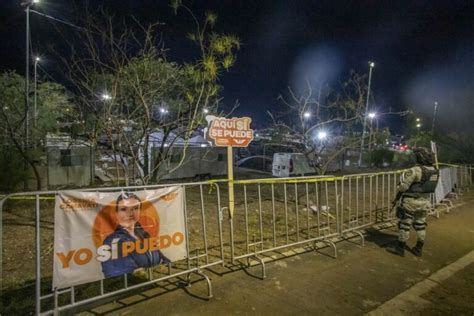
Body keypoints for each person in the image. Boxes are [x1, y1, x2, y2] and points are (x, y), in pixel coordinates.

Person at [101, 192, 170, 278]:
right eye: (123, 209)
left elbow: (160, 256)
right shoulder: (112, 241)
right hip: (137, 287)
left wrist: (167, 265)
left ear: (140, 212)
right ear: (116, 213)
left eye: (135, 208)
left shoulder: (143, 233)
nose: (130, 213)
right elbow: (119, 274)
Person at [386, 147, 439, 257]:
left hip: (411, 202)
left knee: (404, 224)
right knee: (420, 224)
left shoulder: (415, 170)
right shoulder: (434, 170)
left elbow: (403, 187)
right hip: (425, 202)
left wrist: (399, 185)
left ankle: (400, 248)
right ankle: (418, 248)